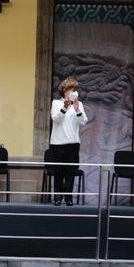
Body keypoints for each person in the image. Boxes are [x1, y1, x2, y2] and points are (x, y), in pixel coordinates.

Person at [48, 76, 88, 206]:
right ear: (64, 91)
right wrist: (65, 107)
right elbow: (56, 119)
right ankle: (58, 196)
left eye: (74, 90)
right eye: (70, 89)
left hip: (73, 143)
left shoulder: (79, 104)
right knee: (58, 171)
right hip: (58, 143)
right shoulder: (56, 103)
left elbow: (83, 121)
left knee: (70, 172)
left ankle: (68, 197)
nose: (72, 92)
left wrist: (77, 110)